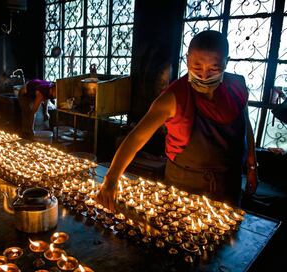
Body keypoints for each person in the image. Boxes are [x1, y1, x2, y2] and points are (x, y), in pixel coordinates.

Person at [96, 30, 258, 210]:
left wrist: (252, 166)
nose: (204, 76)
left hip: (229, 184)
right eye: (197, 68)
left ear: (226, 63)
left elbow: (245, 126)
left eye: (214, 69)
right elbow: (136, 138)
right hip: (185, 184)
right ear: (188, 60)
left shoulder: (237, 86)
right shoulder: (173, 97)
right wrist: (111, 178)